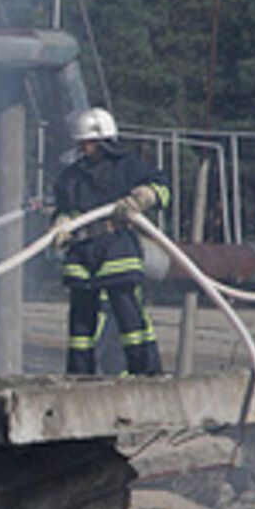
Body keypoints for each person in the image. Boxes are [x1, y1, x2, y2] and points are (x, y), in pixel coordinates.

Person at [51, 107, 170, 376]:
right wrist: (60, 223)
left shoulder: (126, 166)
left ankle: (146, 374)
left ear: (104, 139)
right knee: (80, 326)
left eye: (88, 142)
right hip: (81, 251)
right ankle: (79, 376)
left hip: (116, 246)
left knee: (130, 317)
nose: (83, 148)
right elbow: (64, 206)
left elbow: (162, 185)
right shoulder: (72, 175)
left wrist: (144, 196)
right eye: (81, 143)